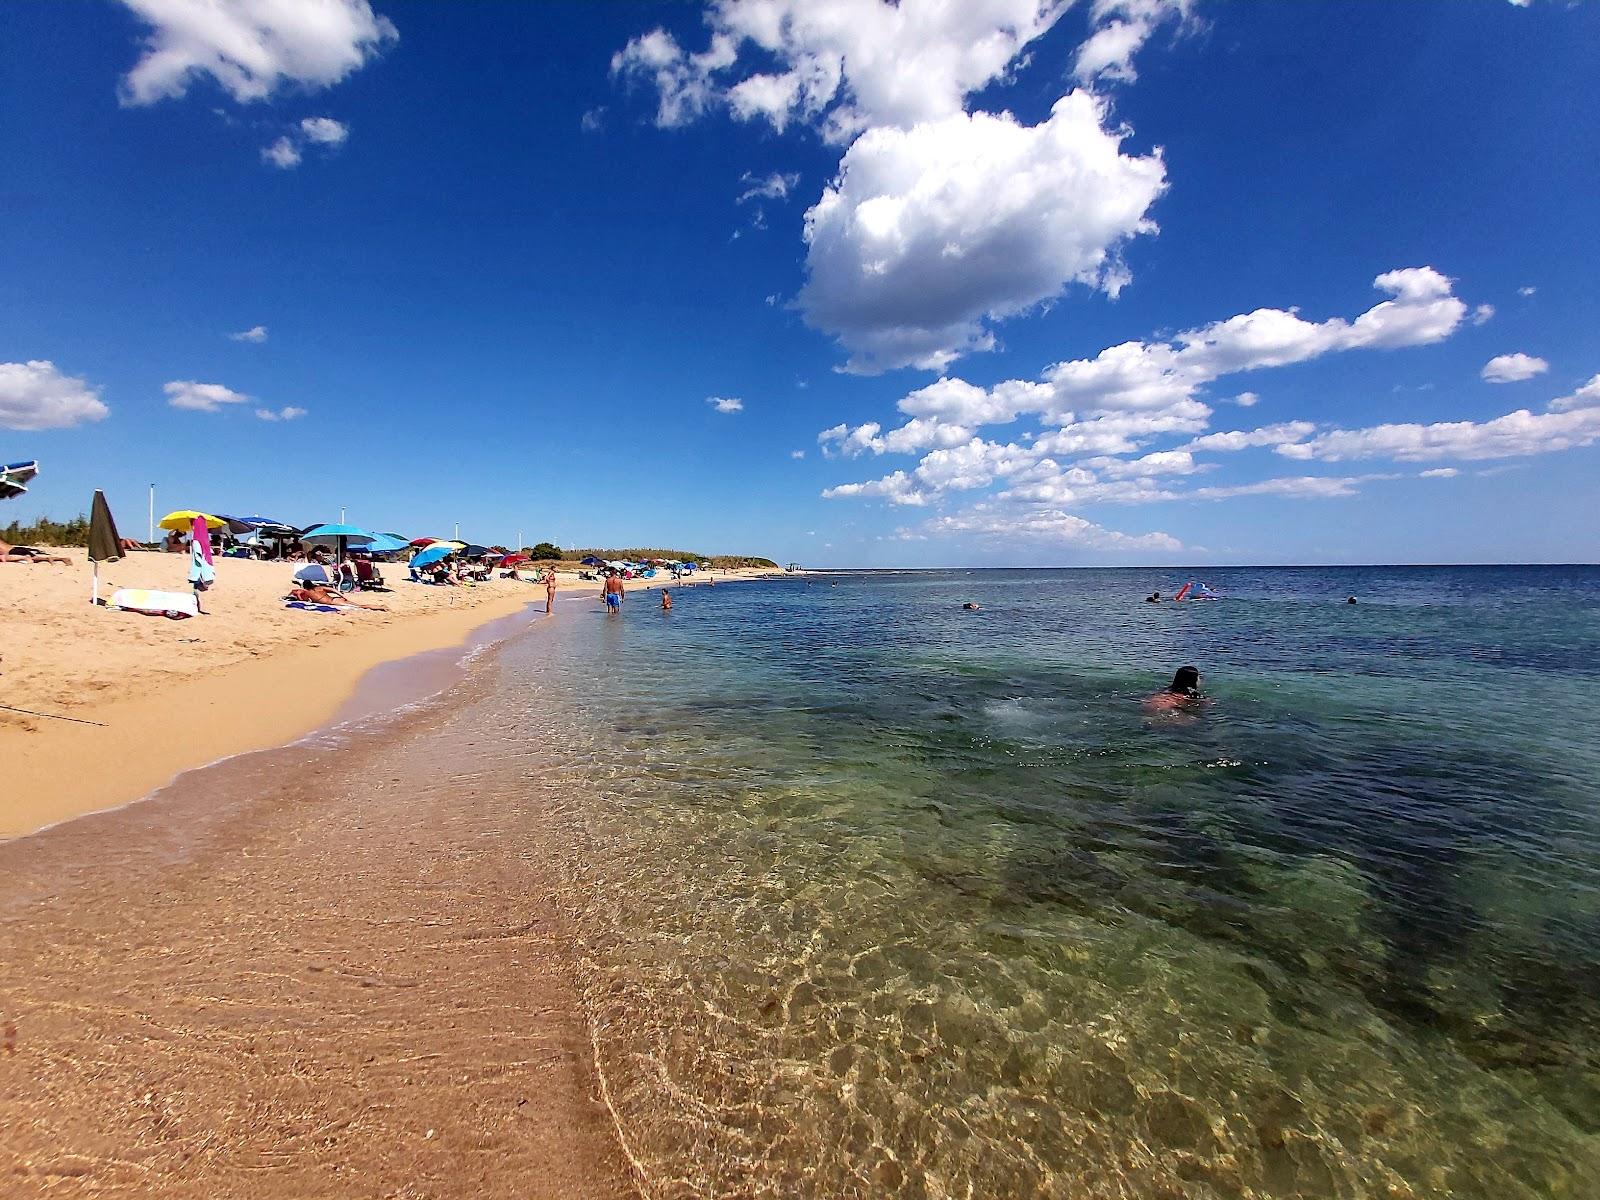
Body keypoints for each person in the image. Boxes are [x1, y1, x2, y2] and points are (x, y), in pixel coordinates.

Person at [289, 584, 388, 611]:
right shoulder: (319, 588)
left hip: (334, 603)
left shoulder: (307, 592)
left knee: (360, 606)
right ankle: (380, 606)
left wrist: (296, 596)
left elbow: (298, 595)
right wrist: (342, 595)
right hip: (335, 599)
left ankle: (380, 607)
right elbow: (333, 589)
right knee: (358, 605)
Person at [0, 541, 71, 565]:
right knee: (36, 558)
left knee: (34, 559)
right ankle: (60, 559)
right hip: (17, 549)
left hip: (13, 551)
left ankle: (51, 559)